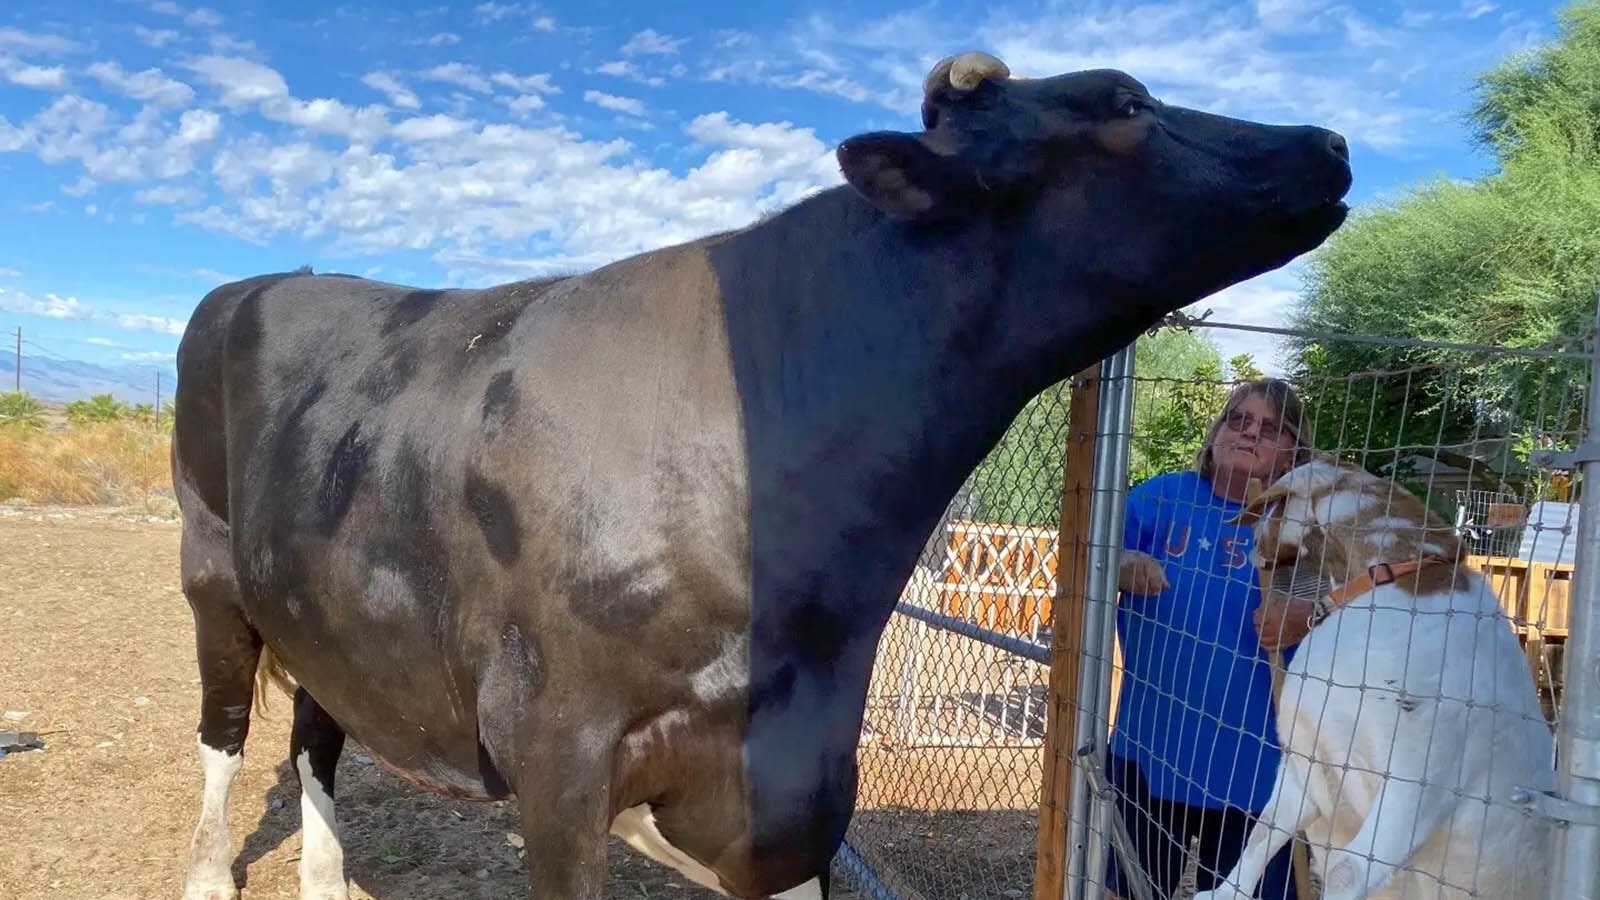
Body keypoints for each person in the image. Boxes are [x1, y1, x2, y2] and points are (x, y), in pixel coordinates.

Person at [1103, 377, 1318, 900]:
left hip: (1259, 771)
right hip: (1150, 752)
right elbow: (1088, 560)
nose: (1249, 433)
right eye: (1238, 419)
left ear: (1294, 451)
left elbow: (1346, 611)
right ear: (1216, 431)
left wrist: (1304, 616)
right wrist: (1120, 563)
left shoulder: (1303, 524)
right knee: (1126, 891)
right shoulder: (1158, 500)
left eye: (1270, 428)